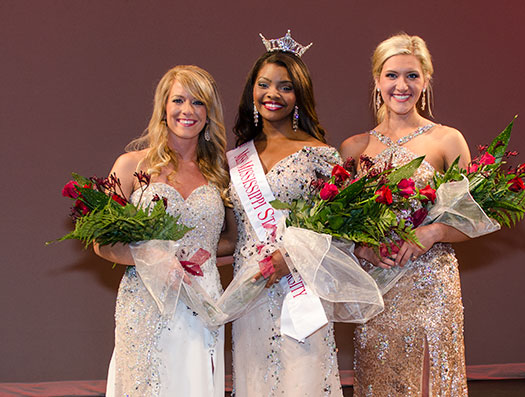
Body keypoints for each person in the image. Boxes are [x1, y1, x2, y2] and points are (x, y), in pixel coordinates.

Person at [340, 34, 471, 396]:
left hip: (431, 286)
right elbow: (338, 232)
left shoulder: (447, 140)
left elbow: (472, 219)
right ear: (377, 81)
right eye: (392, 75)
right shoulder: (354, 148)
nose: (402, 85)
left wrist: (433, 233)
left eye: (412, 76)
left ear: (426, 80)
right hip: (377, 289)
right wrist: (363, 250)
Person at [94, 65, 231, 396]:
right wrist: (152, 257)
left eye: (198, 102)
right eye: (179, 100)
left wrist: (205, 257)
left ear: (209, 112)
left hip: (201, 303)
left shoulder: (220, 173)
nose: (187, 110)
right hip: (146, 303)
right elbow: (102, 241)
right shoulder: (132, 165)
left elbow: (231, 242)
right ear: (163, 107)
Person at [228, 31, 343, 396]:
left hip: (300, 290)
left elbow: (338, 231)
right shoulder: (238, 158)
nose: (272, 94)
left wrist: (290, 258)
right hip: (252, 291)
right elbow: (237, 234)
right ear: (252, 91)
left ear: (299, 97)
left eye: (285, 86)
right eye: (263, 84)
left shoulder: (322, 155)